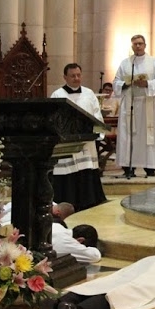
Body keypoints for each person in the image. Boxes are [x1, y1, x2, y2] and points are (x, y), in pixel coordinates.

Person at [48, 63, 108, 210]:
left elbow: (96, 114)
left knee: (86, 169)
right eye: (73, 75)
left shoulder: (89, 93)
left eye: (78, 75)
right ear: (65, 77)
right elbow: (53, 117)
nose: (76, 78)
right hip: (67, 141)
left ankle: (88, 200)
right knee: (68, 170)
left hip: (86, 140)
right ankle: (67, 202)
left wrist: (97, 133)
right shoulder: (57, 95)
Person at [113, 34, 155, 179]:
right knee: (129, 136)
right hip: (130, 103)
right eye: (135, 44)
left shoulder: (154, 62)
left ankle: (150, 166)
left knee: (149, 135)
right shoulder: (126, 63)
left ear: (145, 45)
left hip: (147, 102)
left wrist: (147, 84)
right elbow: (116, 81)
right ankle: (128, 166)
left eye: (140, 43)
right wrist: (125, 84)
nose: (138, 46)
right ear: (132, 46)